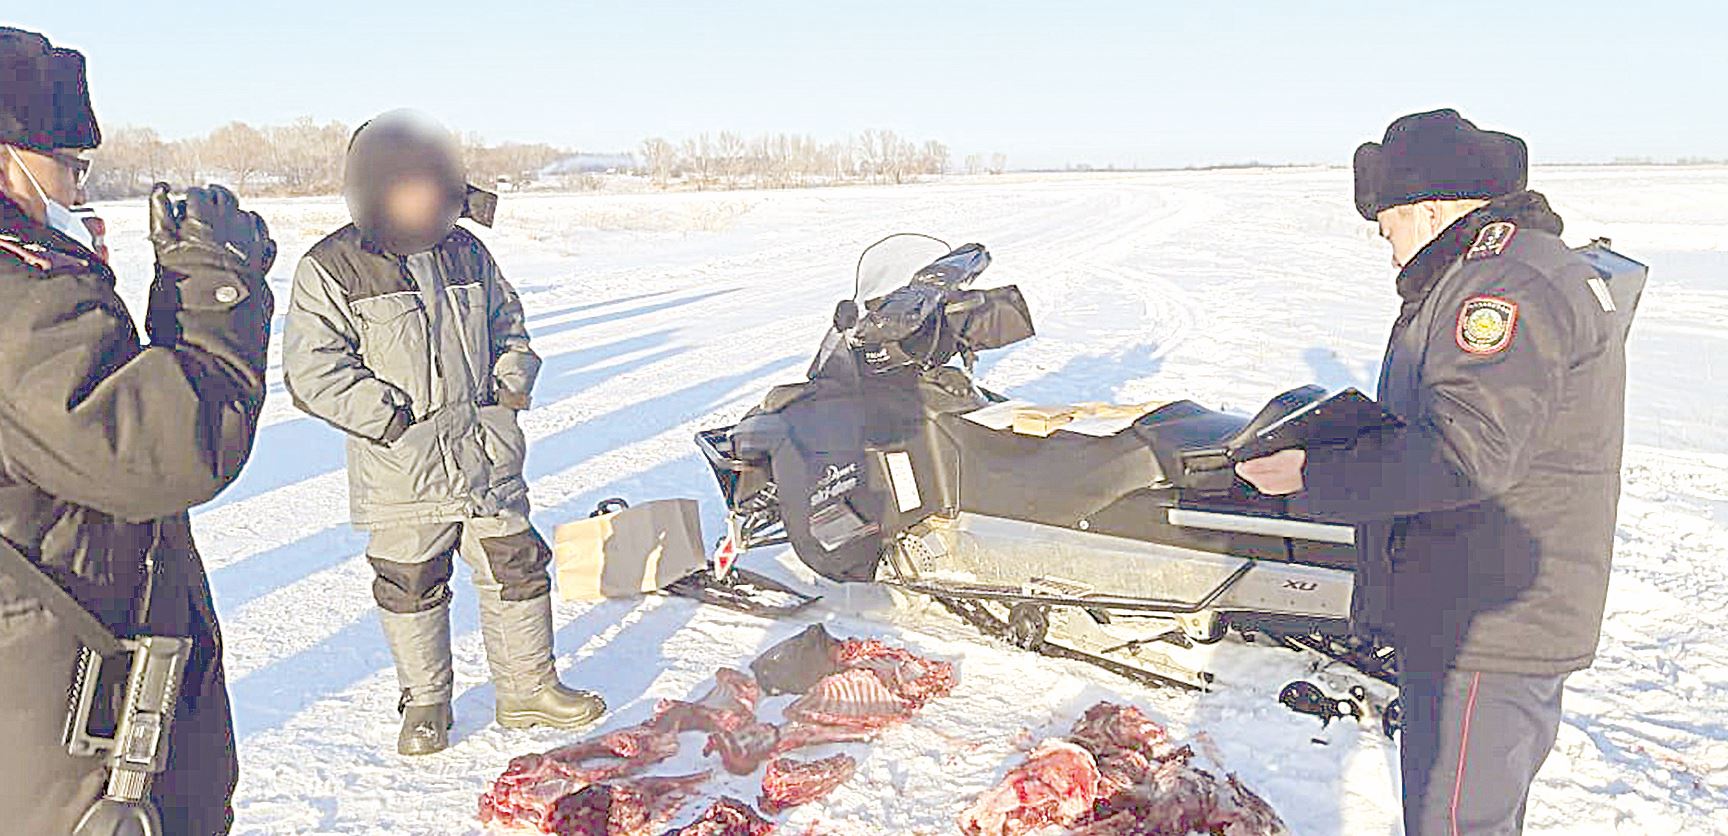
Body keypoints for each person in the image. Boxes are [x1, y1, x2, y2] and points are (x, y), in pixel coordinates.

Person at [1236, 109, 1628, 835]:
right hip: (1482, 602)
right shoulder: (1505, 268)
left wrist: (1311, 474)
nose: (1388, 252)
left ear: (1430, 209)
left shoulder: (1501, 287)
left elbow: (1465, 451)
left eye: (1387, 229)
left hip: (1487, 624)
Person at [0, 26, 276, 835]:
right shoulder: (19, 301)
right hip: (60, 747)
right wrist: (214, 293)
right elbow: (164, 452)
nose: (81, 188)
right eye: (70, 166)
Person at [283, 110, 605, 756]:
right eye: (411, 187)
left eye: (435, 186)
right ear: (375, 189)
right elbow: (311, 369)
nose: (428, 199)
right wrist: (390, 419)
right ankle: (426, 703)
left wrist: (509, 391)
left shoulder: (468, 253)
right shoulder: (333, 268)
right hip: (404, 468)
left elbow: (510, 326)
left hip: (485, 456)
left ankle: (527, 688)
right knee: (411, 582)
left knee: (517, 566)